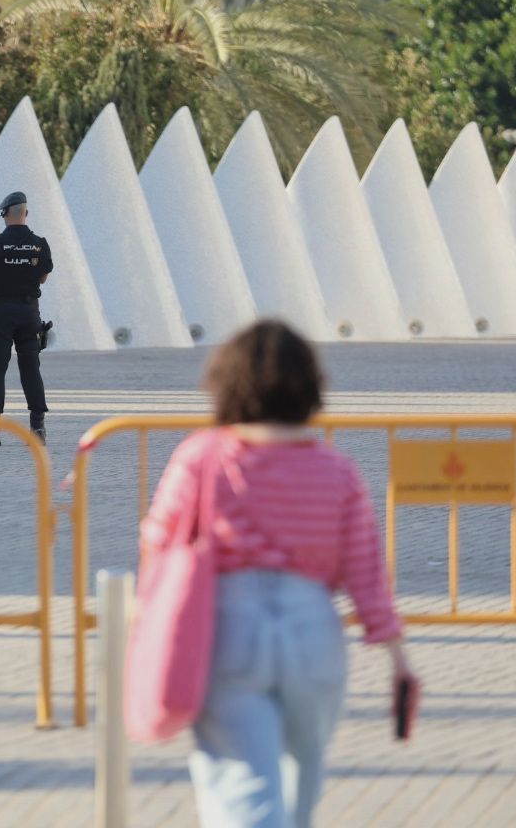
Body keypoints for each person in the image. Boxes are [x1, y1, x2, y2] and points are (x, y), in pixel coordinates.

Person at [140, 320, 414, 828]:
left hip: (228, 626)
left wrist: (152, 624)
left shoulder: (201, 457)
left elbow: (159, 541)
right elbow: (366, 572)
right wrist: (397, 655)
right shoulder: (337, 471)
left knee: (244, 795)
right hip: (313, 631)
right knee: (298, 790)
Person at [0, 191, 53, 446]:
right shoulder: (40, 244)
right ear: (25, 213)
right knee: (31, 369)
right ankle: (37, 428)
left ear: (5, 214)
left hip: (0, 315)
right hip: (29, 313)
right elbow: (42, 277)